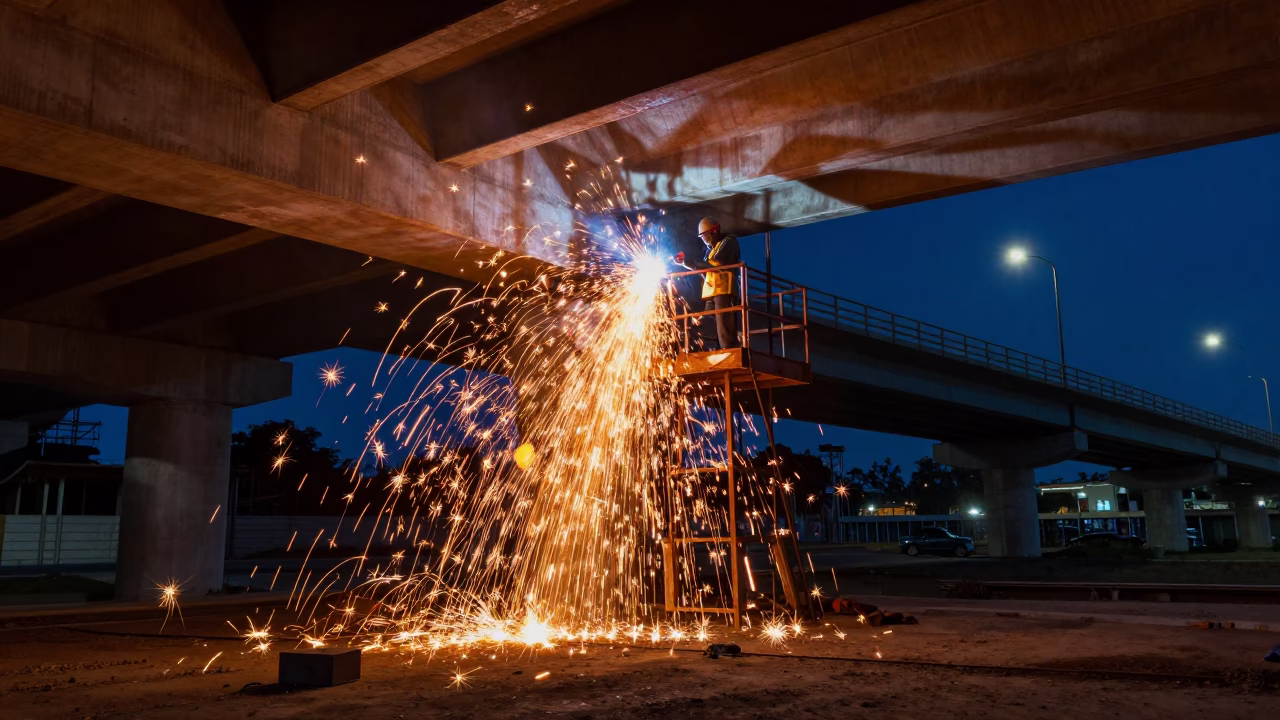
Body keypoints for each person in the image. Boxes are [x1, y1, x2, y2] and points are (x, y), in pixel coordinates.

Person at [675, 216, 740, 349]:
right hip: (711, 292)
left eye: (704, 236)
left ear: (714, 232)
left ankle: (729, 350)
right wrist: (684, 262)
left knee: (723, 325)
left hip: (724, 292)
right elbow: (704, 268)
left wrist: (693, 262)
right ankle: (707, 348)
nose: (703, 239)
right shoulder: (710, 250)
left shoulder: (729, 243)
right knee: (703, 323)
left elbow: (717, 264)